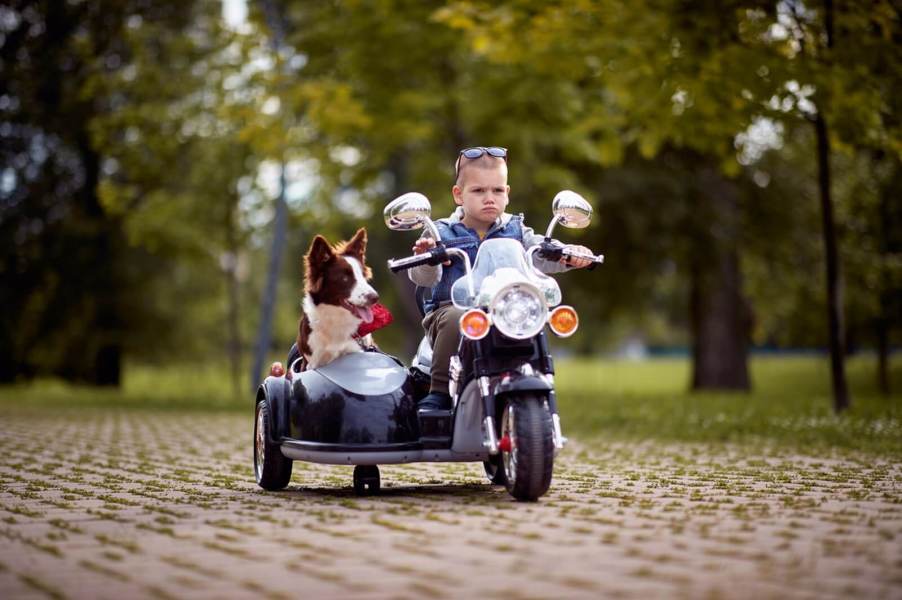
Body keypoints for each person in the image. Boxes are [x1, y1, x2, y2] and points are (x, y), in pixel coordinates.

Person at [409, 146, 593, 412]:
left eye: (497, 190)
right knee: (454, 319)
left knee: (534, 314)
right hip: (452, 311)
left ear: (507, 194)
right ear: (459, 195)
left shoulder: (516, 229)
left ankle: (535, 379)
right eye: (478, 191)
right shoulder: (440, 232)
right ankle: (438, 392)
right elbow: (424, 278)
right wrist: (426, 257)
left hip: (506, 310)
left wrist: (569, 254)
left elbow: (540, 251)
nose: (489, 198)